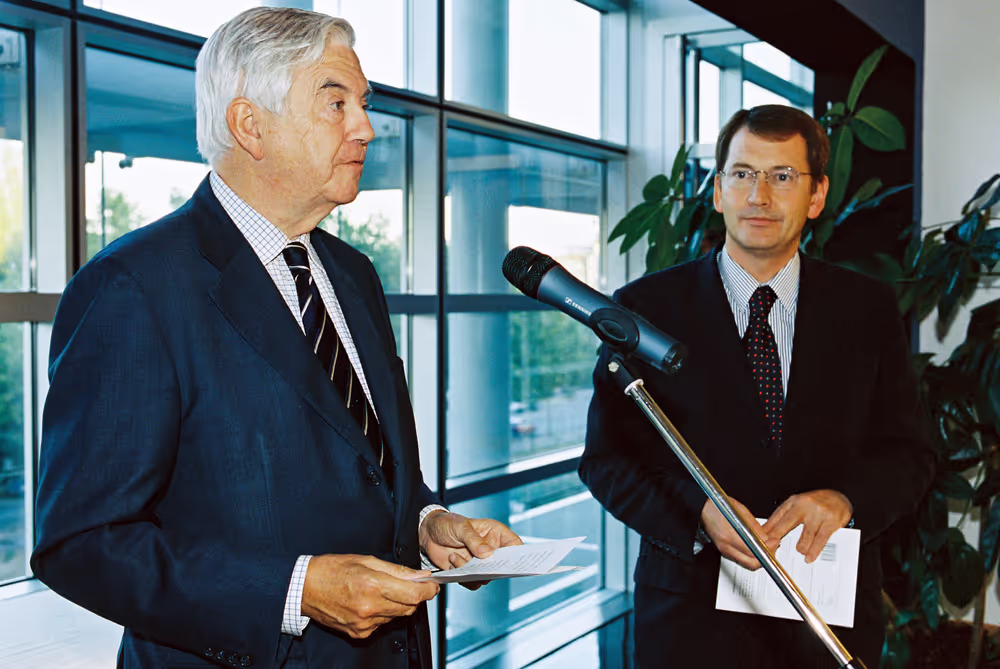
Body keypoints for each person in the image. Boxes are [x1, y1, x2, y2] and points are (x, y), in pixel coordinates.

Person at [31, 8, 521, 669]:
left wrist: (430, 523)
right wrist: (294, 589)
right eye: (336, 101)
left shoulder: (354, 274)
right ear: (249, 125)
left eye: (364, 103)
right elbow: (83, 542)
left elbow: (366, 467)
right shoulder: (134, 288)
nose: (366, 127)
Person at [580, 104, 935, 668]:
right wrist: (699, 514)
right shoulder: (646, 310)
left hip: (826, 622)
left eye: (782, 177)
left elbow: (909, 455)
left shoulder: (868, 310)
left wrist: (845, 500)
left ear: (816, 196)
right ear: (718, 191)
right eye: (742, 174)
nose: (759, 196)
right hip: (689, 627)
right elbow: (607, 462)